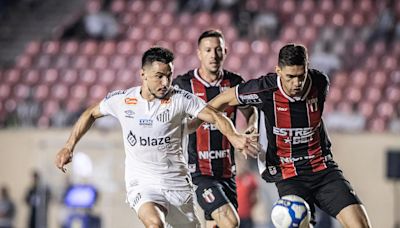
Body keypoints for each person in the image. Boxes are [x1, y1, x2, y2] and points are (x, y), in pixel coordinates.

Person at [55, 47, 259, 228]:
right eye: (159, 76)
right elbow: (91, 112)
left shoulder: (180, 98)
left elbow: (214, 116)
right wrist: (68, 146)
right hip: (142, 183)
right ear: (143, 74)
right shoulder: (124, 100)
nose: (165, 82)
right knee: (155, 223)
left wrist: (233, 136)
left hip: (177, 185)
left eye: (169, 76)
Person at [207, 43, 372, 227]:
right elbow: (219, 102)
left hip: (323, 169)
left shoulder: (320, 83)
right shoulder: (264, 89)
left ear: (307, 69)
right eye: (290, 77)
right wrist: (232, 135)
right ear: (278, 71)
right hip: (288, 175)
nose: (296, 83)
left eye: (301, 76)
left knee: (361, 225)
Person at [172, 29, 258, 228]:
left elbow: (250, 111)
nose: (213, 55)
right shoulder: (183, 85)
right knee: (229, 221)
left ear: (225, 52)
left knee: (215, 225)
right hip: (198, 172)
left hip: (227, 171)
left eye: (218, 50)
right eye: (208, 50)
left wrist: (251, 127)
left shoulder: (235, 83)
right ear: (199, 53)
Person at [235, 155, 258, 228]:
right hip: (234, 216)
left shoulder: (250, 178)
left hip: (246, 217)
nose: (242, 165)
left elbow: (256, 197)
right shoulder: (231, 179)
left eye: (244, 163)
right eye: (239, 163)